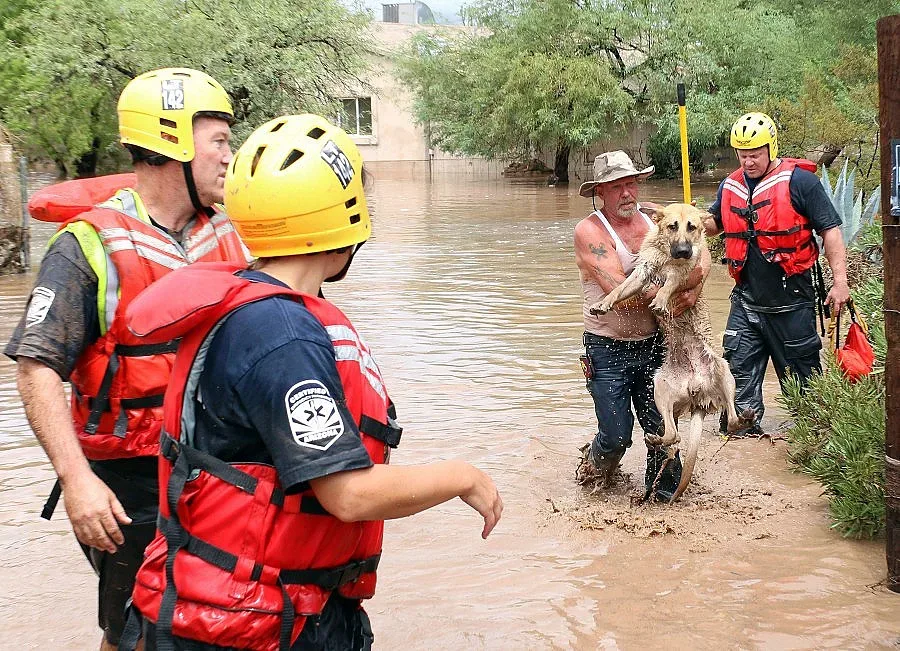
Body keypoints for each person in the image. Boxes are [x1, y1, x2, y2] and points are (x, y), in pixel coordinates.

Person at [120, 114, 503, 651]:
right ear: (343, 219)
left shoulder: (258, 307)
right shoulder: (282, 335)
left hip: (248, 608)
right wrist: (463, 476)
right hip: (252, 624)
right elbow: (347, 494)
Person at [4, 67, 247, 651]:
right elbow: (36, 367)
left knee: (225, 620)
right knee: (134, 632)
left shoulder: (235, 232)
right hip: (128, 482)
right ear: (172, 145)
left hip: (218, 469)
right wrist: (77, 480)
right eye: (218, 142)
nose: (228, 157)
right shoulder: (86, 246)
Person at [703, 112, 849, 436]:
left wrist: (840, 283)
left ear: (771, 147)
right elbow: (715, 224)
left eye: (755, 153)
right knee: (734, 419)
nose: (749, 161)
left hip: (792, 304)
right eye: (743, 154)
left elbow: (831, 232)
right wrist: (687, 221)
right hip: (746, 303)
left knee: (810, 412)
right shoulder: (730, 186)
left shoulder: (801, 182)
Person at [574, 151, 709, 501]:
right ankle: (593, 469)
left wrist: (691, 290)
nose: (626, 193)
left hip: (655, 344)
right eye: (616, 186)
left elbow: (703, 249)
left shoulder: (658, 220)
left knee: (663, 430)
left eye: (630, 183)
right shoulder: (589, 231)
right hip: (608, 347)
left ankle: (662, 503)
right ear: (599, 192)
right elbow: (620, 289)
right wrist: (677, 286)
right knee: (617, 437)